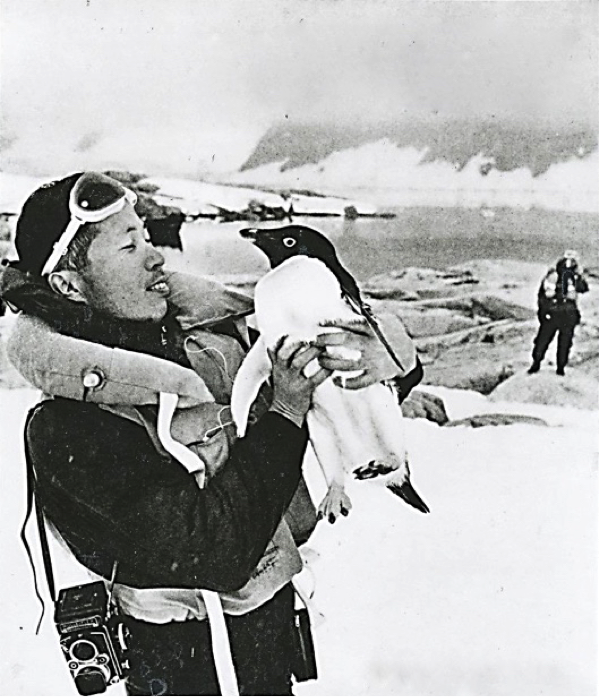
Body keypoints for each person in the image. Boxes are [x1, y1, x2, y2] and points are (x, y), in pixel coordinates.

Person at [0, 172, 422, 696]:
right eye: (129, 246)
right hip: (179, 672)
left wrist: (384, 353)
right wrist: (286, 410)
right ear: (68, 284)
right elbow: (210, 552)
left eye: (148, 237)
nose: (155, 257)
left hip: (268, 648)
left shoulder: (213, 345)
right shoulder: (65, 426)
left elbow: (350, 401)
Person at [528, 250, 589, 376]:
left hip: (563, 314)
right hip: (558, 313)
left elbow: (583, 288)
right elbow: (543, 296)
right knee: (547, 340)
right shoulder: (554, 277)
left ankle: (554, 365)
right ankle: (542, 363)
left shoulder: (571, 277)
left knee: (555, 341)